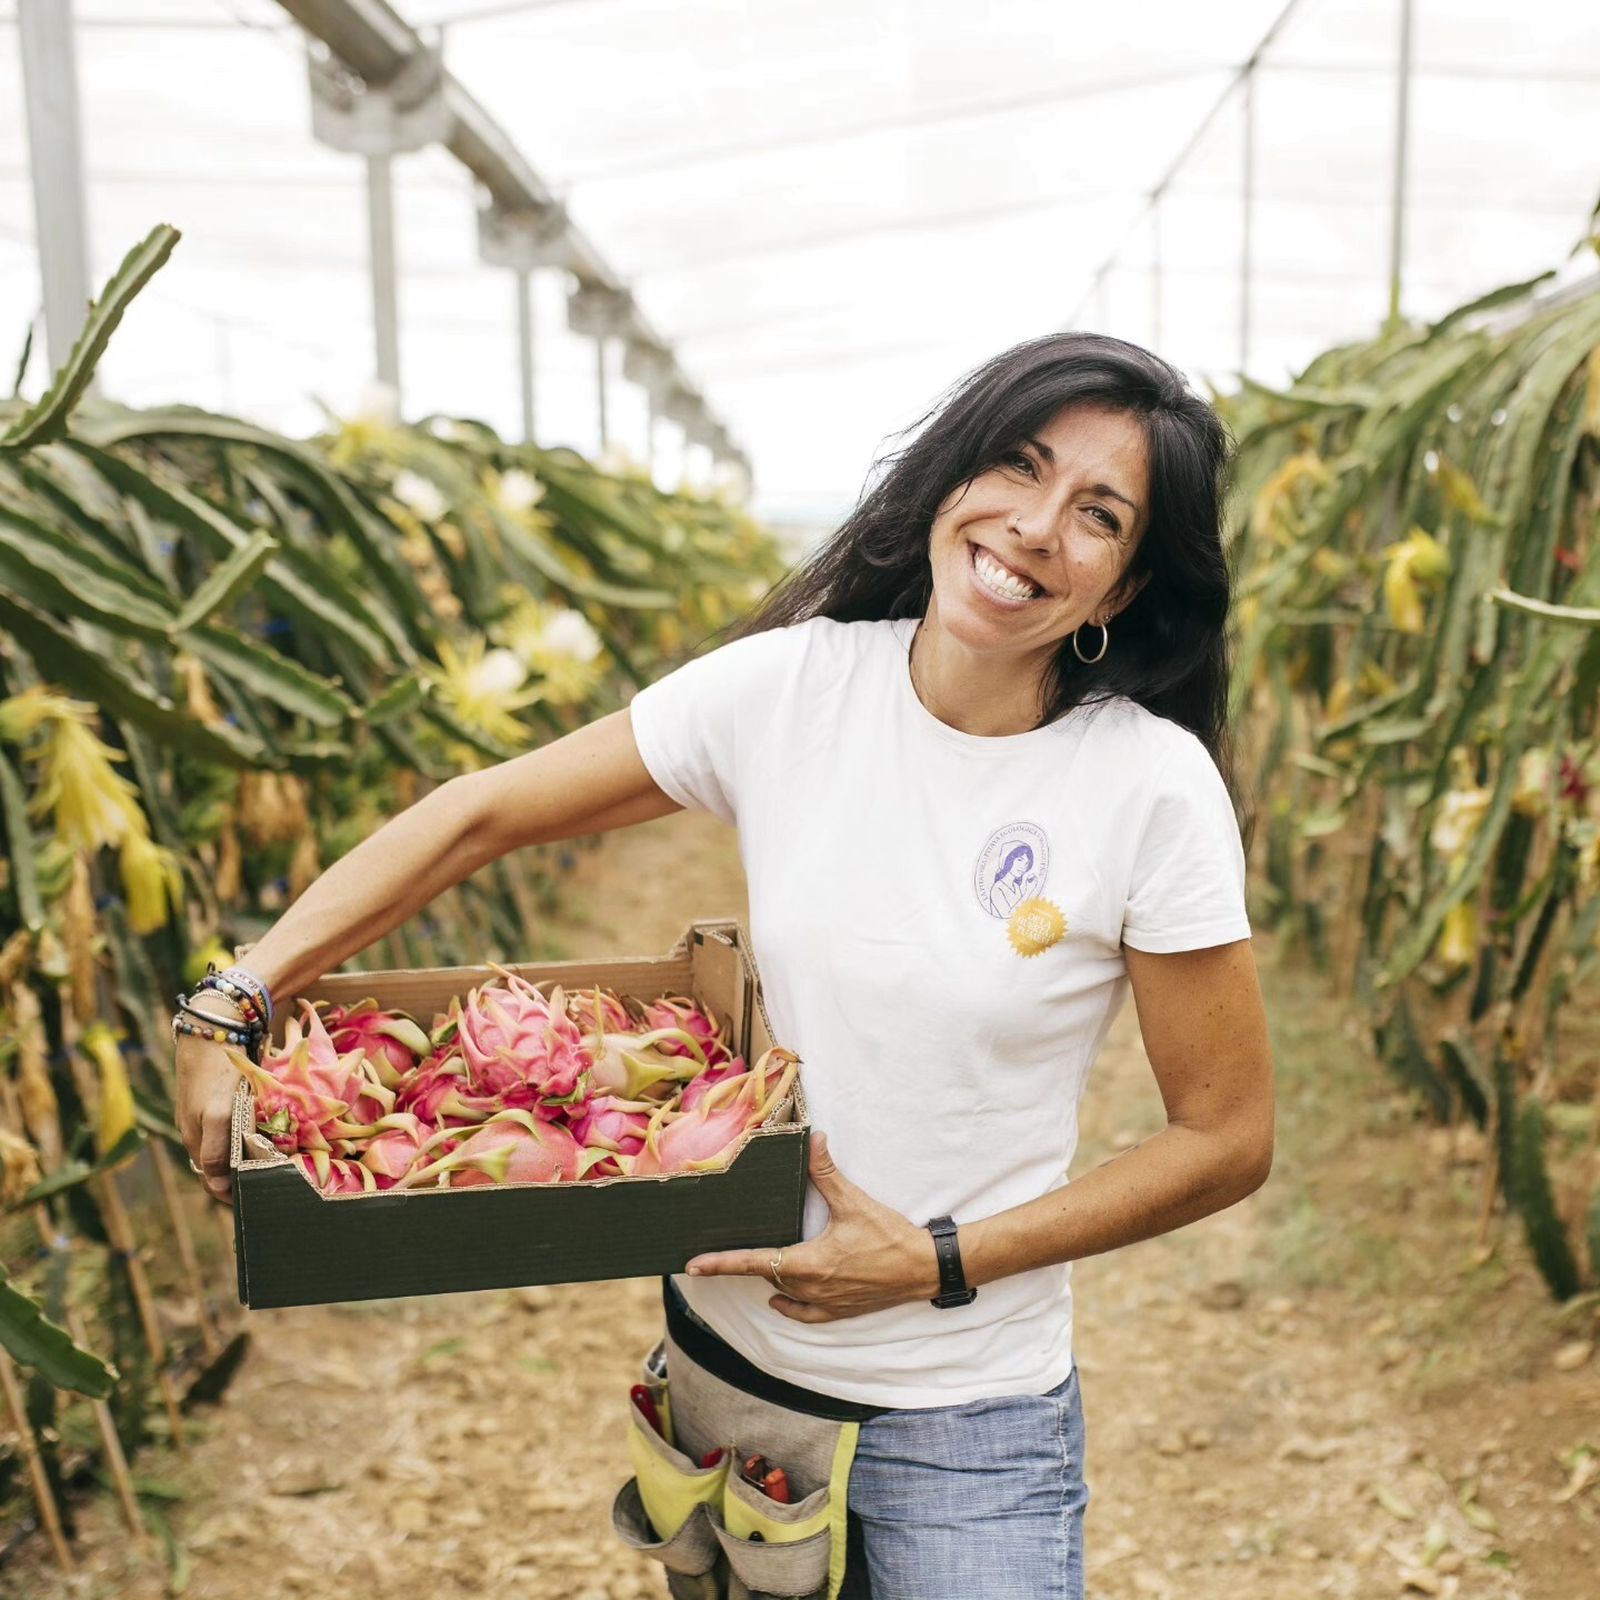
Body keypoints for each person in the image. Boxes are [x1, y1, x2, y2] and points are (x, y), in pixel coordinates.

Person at [177, 330, 1274, 1599]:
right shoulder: (788, 690)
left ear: (1125, 588)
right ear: (952, 476)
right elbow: (476, 813)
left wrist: (940, 1258)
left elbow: (1225, 1135)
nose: (1033, 526)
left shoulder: (1147, 785)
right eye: (1017, 467)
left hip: (969, 1416)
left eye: (1097, 514)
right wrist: (232, 999)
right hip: (726, 1389)